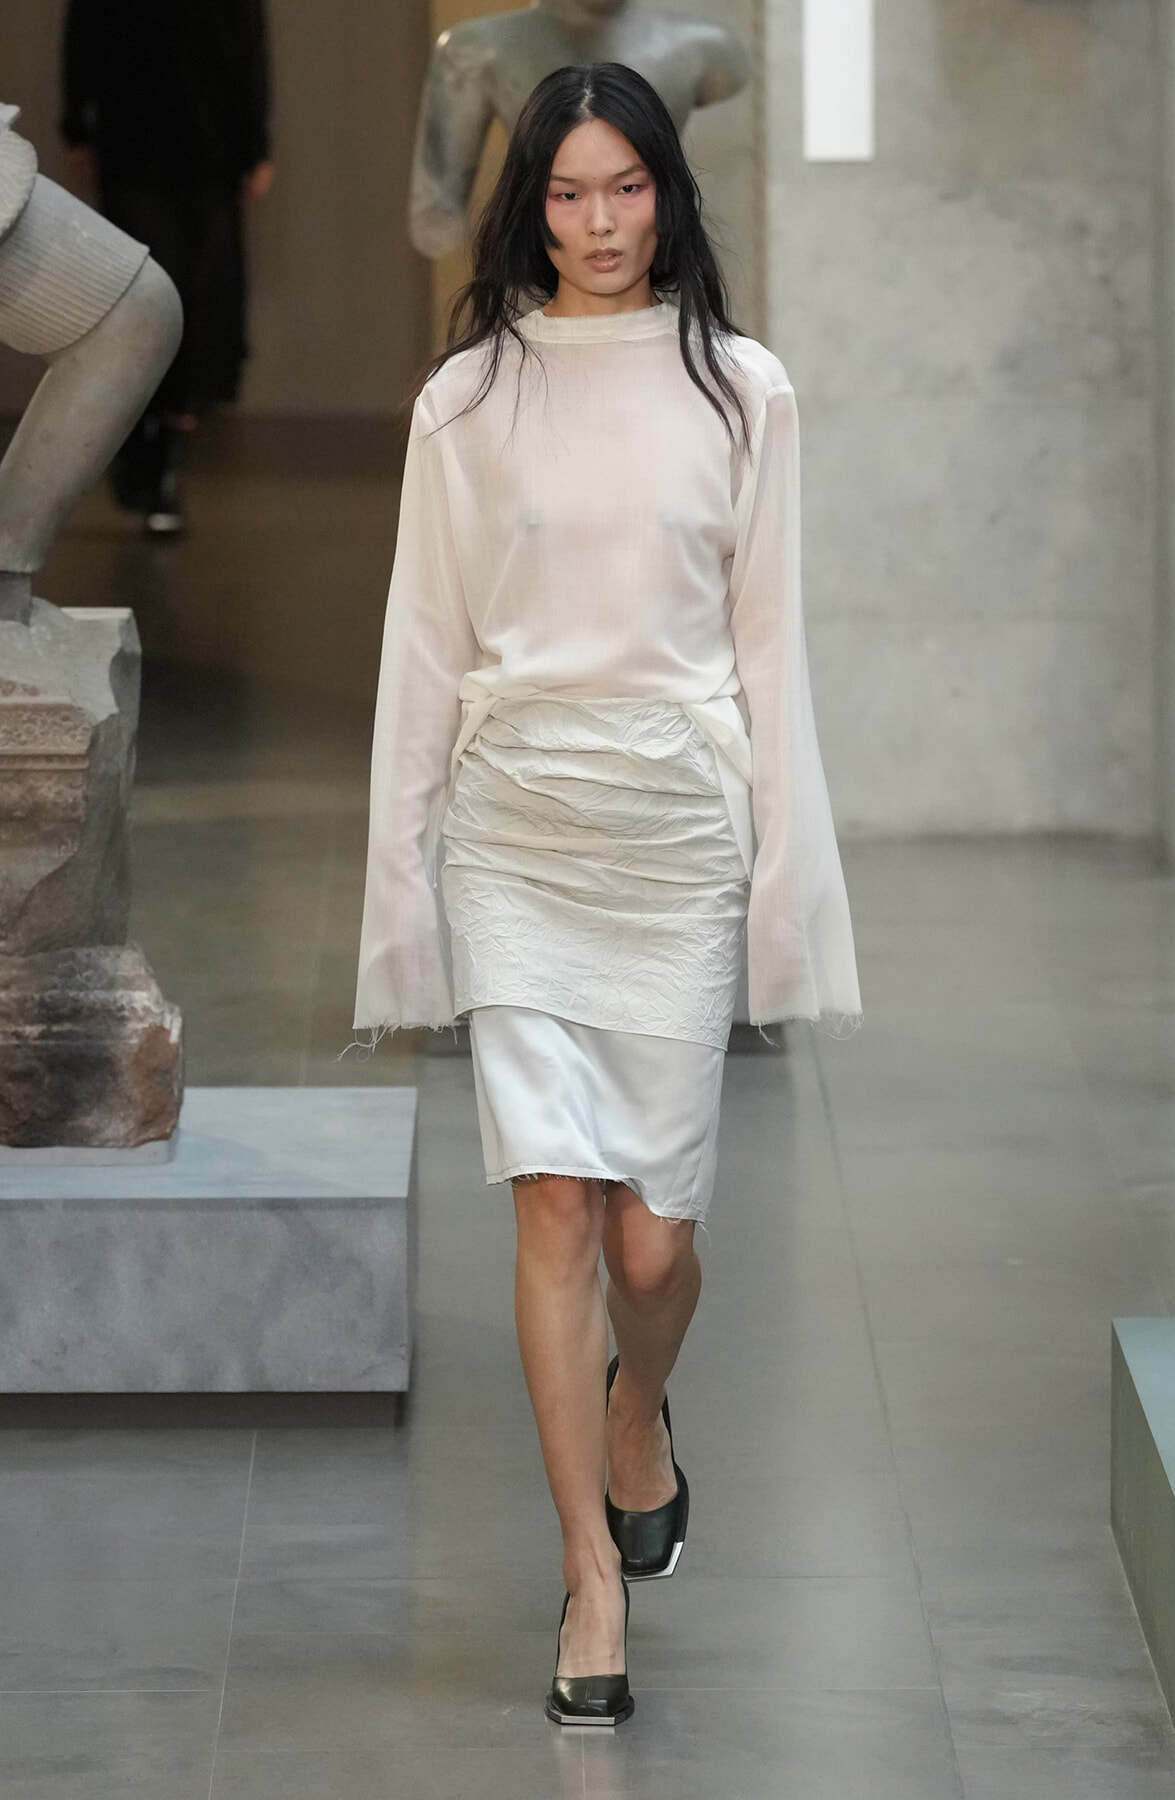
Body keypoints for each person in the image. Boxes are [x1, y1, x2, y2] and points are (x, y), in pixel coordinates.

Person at [355, 62, 861, 1727]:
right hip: (515, 828)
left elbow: (773, 653)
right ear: (531, 205)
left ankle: (642, 1399)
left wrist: (790, 882)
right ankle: (588, 1576)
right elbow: (420, 656)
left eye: (623, 190)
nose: (596, 224)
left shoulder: (744, 393)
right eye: (566, 194)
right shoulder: (471, 398)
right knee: (557, 1205)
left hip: (674, 835)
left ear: (667, 192)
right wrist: (404, 897)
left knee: (658, 1238)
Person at [60, 0, 272, 536]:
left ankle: (160, 457)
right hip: (135, 144)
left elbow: (249, 43)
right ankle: (147, 454)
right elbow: (85, 29)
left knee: (196, 308)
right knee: (147, 295)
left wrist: (255, 145)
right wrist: (76, 124)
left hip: (210, 146)